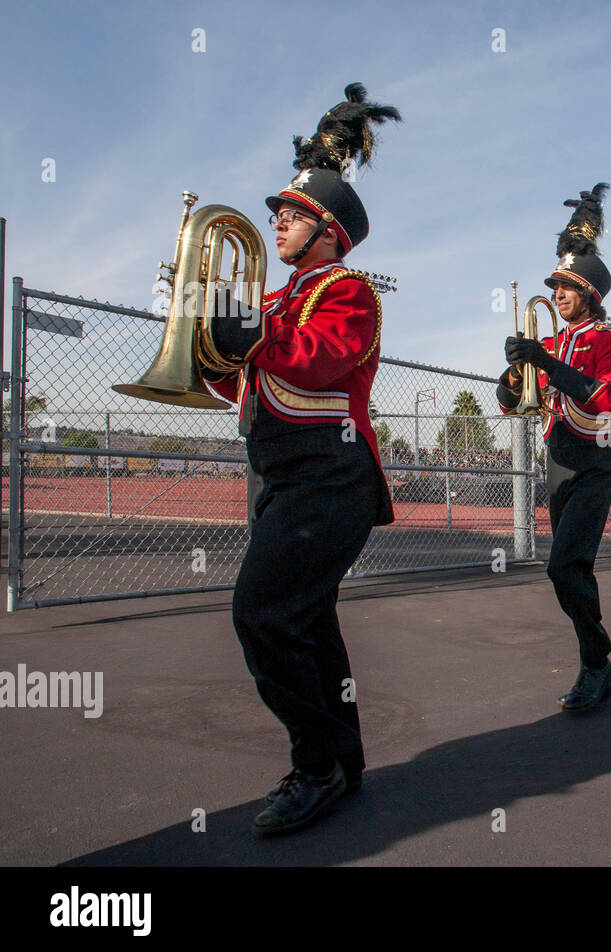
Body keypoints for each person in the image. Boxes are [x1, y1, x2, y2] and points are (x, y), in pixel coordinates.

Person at [199, 83, 401, 835]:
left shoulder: (347, 291)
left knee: (260, 613)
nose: (275, 222)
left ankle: (313, 764)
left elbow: (314, 364)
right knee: (308, 624)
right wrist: (213, 349)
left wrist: (251, 332)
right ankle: (341, 763)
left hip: (331, 476)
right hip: (284, 480)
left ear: (327, 229)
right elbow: (248, 382)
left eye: (289, 214)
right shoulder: (282, 300)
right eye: (278, 213)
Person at [497, 183, 611, 711]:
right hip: (557, 460)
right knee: (571, 567)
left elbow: (608, 397)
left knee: (564, 566)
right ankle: (595, 660)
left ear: (591, 294)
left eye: (567, 287)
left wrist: (549, 365)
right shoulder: (551, 339)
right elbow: (511, 403)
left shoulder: (609, 339)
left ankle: (596, 663)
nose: (556, 294)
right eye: (554, 285)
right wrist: (513, 373)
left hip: (596, 461)